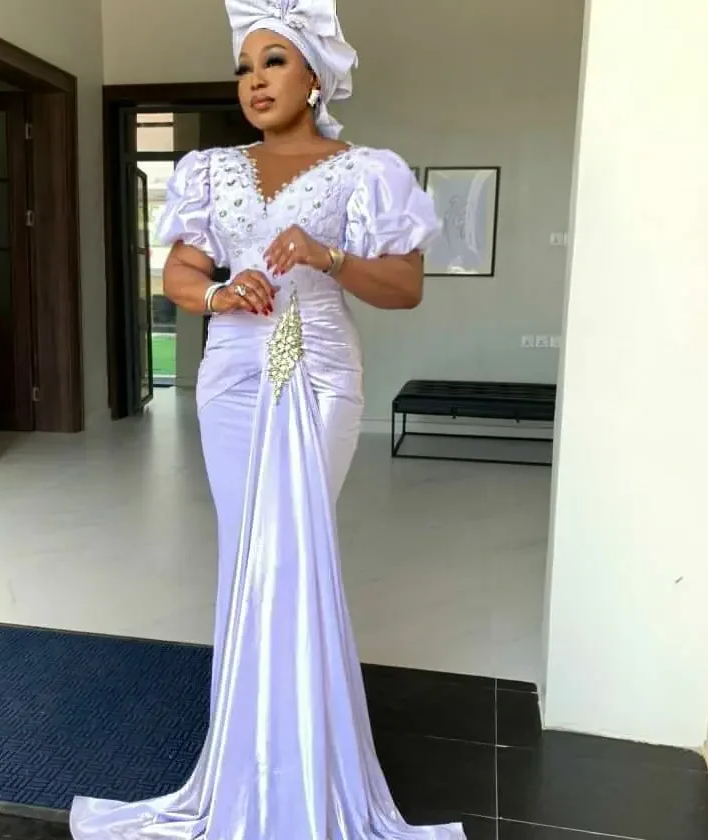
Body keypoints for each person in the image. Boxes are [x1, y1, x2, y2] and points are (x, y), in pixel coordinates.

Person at [70, 1, 465, 838]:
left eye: (274, 61)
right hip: (233, 377)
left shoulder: (366, 171)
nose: (254, 81)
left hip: (319, 375)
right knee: (246, 555)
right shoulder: (210, 170)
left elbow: (406, 287)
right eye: (244, 67)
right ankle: (247, 760)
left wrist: (329, 255)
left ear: (315, 76)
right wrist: (218, 293)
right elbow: (179, 274)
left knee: (291, 552)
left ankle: (305, 766)